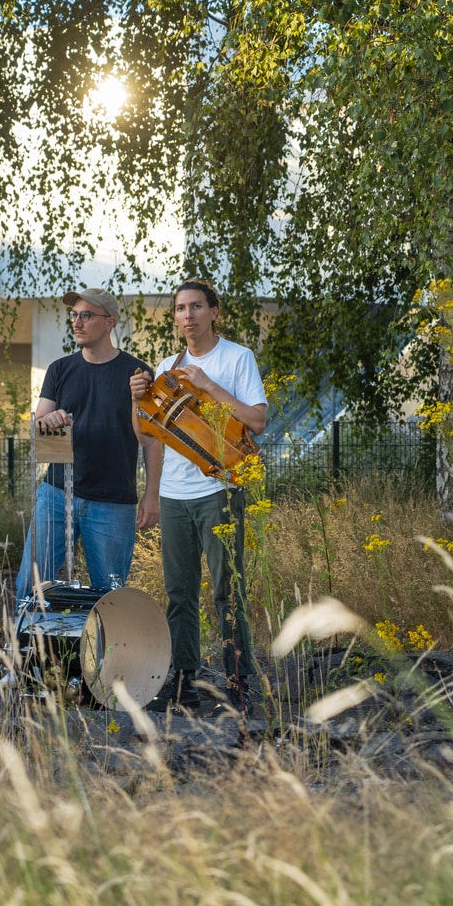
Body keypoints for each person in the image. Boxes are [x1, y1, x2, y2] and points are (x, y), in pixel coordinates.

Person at [129, 280, 267, 712]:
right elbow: (148, 434)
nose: (188, 315)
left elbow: (257, 421)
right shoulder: (167, 365)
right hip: (174, 495)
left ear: (213, 312)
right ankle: (183, 680)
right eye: (180, 309)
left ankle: (239, 683)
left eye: (196, 307)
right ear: (175, 317)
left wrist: (208, 386)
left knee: (228, 590)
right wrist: (137, 403)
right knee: (179, 593)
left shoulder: (237, 358)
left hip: (220, 489)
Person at [16, 287, 161, 602]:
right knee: (30, 586)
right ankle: (27, 652)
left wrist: (151, 495)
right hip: (55, 494)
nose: (77, 322)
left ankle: (101, 652)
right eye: (74, 315)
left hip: (112, 503)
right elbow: (39, 423)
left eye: (87, 315)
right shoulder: (60, 369)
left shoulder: (136, 373)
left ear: (109, 323)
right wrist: (49, 419)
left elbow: (151, 441)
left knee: (109, 596)